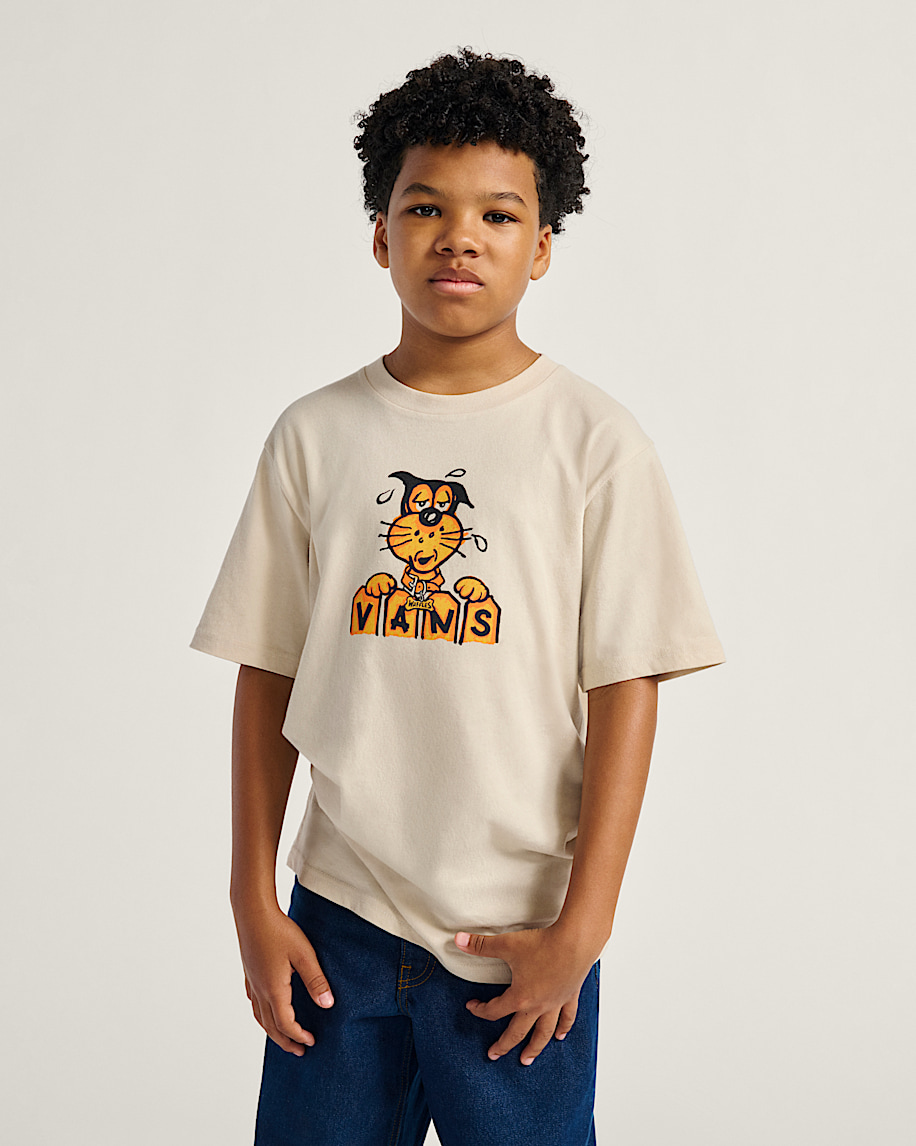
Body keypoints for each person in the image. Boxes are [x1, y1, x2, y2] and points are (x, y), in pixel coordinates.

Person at [190, 47, 726, 1146]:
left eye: (498, 214)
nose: (459, 237)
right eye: (426, 206)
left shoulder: (594, 444)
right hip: (336, 923)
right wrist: (252, 899)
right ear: (380, 235)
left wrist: (583, 930)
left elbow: (625, 689)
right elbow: (268, 671)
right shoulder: (315, 436)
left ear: (543, 247)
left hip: (519, 937)